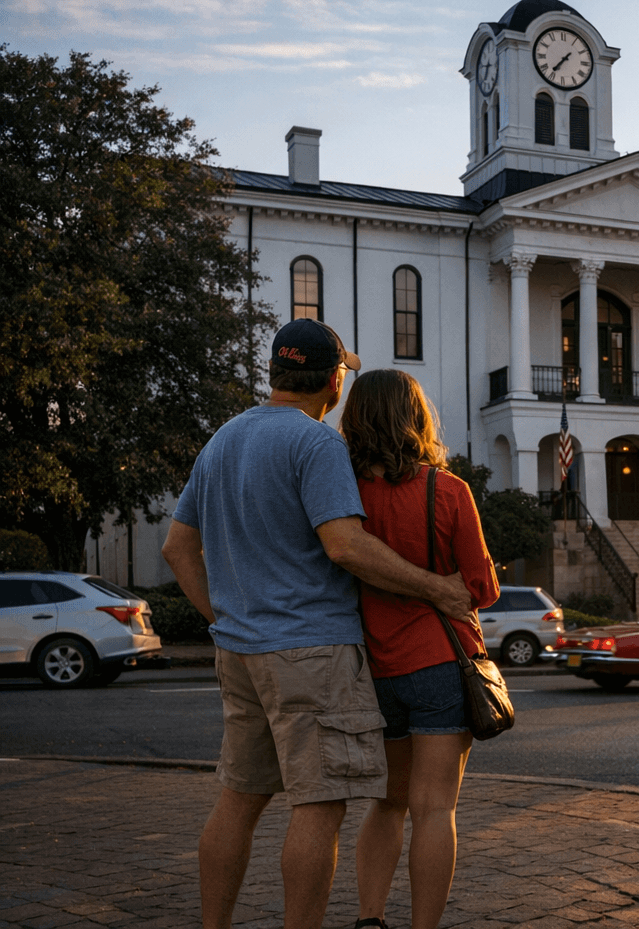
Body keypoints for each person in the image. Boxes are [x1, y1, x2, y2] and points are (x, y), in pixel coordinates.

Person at [160, 320, 474, 929]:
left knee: (238, 801)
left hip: (239, 653)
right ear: (333, 379)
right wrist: (437, 587)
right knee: (321, 805)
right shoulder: (316, 443)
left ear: (275, 372)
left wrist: (225, 617)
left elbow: (178, 547)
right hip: (312, 652)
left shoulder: (224, 438)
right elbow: (345, 547)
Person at [343, 369, 500, 929]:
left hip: (374, 669)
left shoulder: (343, 497)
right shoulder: (448, 491)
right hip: (440, 662)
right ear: (417, 418)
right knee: (436, 809)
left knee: (386, 803)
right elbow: (481, 589)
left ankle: (368, 918)